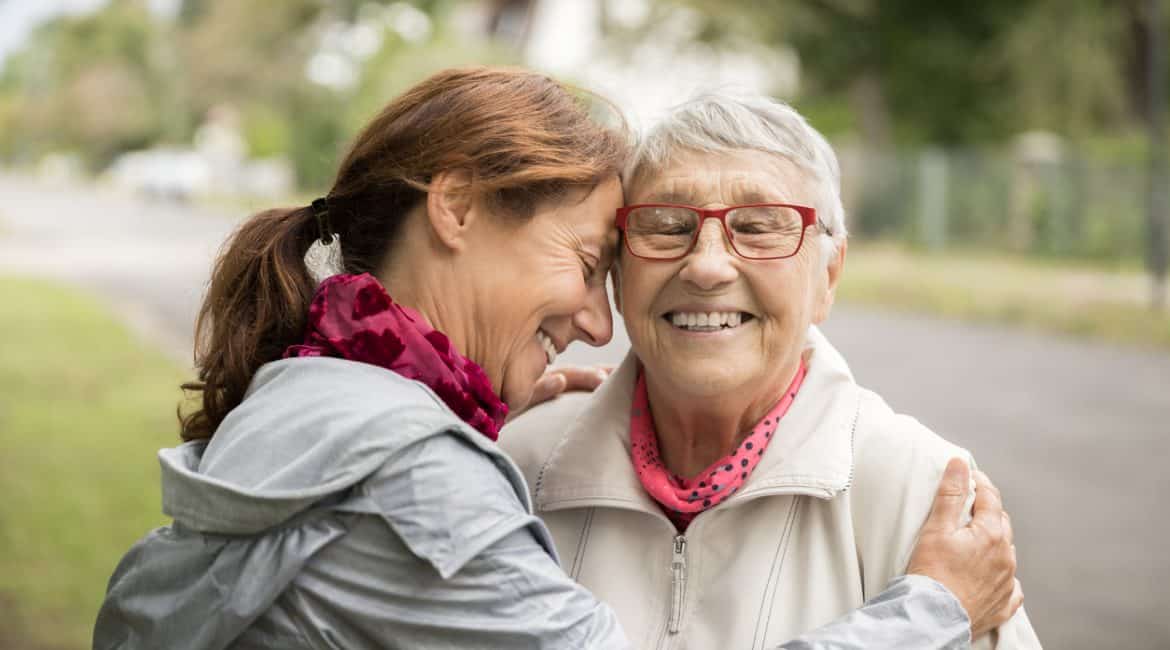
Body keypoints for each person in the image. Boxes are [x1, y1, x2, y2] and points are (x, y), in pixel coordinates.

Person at [95, 68, 1019, 649]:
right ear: (454, 209)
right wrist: (929, 611)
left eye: (761, 229)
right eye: (599, 258)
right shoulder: (443, 469)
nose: (594, 320)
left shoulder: (316, 398)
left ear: (830, 272)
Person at [502, 93, 1040, 649]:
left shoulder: (921, 488)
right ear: (618, 271)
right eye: (665, 225)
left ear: (828, 276)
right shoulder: (518, 463)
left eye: (760, 227)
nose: (707, 266)